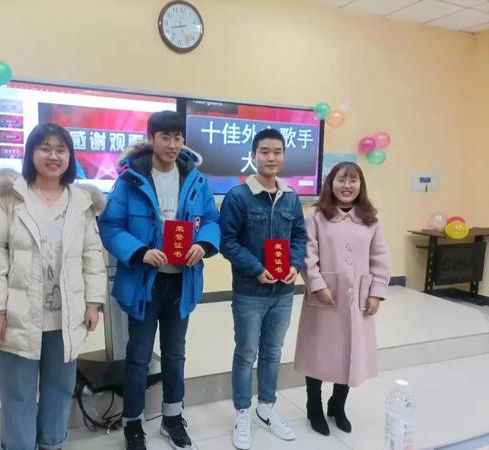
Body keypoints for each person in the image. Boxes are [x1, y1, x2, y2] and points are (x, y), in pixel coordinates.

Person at [0, 123, 107, 450]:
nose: (53, 156)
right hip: (18, 315)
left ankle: (52, 444)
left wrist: (94, 303)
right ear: (31, 153)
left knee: (59, 389)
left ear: (70, 156)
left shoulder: (81, 202)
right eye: (45, 148)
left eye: (61, 149)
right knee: (18, 393)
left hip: (66, 316)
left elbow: (92, 255)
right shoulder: (10, 198)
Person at [98, 110, 220, 450]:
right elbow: (110, 226)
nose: (172, 144)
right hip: (144, 282)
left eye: (178, 137)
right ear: (151, 139)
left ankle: (172, 417)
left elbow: (212, 219)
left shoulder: (195, 179)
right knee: (138, 356)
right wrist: (139, 252)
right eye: (165, 137)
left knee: (175, 354)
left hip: (182, 281)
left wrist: (203, 244)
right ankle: (132, 423)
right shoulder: (130, 179)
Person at [219, 128, 307, 449]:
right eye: (265, 151)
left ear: (283, 156)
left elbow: (300, 237)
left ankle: (266, 408)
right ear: (253, 156)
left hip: (283, 293)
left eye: (277, 152)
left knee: (272, 352)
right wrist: (256, 269)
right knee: (246, 354)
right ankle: (243, 412)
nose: (272, 157)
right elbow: (227, 242)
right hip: (249, 292)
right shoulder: (237, 197)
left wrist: (295, 265)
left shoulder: (291, 197)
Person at [294, 161, 390, 436]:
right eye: (341, 180)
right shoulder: (315, 216)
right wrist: (317, 285)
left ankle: (338, 404)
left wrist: (376, 293)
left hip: (357, 299)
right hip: (324, 298)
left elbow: (380, 258)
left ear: (361, 185)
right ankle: (314, 405)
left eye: (353, 180)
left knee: (350, 353)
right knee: (318, 354)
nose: (347, 186)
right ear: (331, 183)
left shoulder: (371, 219)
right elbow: (308, 255)